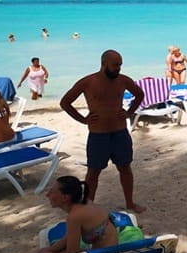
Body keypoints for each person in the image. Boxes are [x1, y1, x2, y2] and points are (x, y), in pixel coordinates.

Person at [59, 50, 146, 213]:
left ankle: (130, 203)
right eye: (115, 65)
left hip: (120, 133)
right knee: (93, 172)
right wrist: (83, 119)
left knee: (125, 168)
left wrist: (128, 112)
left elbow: (140, 95)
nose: (118, 68)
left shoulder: (123, 80)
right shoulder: (88, 82)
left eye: (120, 65)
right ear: (104, 63)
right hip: (98, 135)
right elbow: (65, 102)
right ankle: (88, 206)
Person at [32, 176, 118, 253]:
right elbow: (68, 238)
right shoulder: (85, 203)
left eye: (51, 192)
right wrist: (48, 250)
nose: (47, 195)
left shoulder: (74, 217)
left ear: (65, 198)